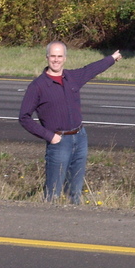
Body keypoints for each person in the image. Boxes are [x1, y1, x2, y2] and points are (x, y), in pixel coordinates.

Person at [19, 41, 121, 203]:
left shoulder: (72, 77)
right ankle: (48, 221)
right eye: (53, 56)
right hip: (59, 142)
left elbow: (91, 69)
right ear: (47, 57)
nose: (56, 60)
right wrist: (49, 136)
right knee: (53, 192)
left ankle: (74, 221)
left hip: (80, 138)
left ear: (65, 58)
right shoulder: (38, 86)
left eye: (59, 56)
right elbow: (24, 117)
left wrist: (112, 58)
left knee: (75, 191)